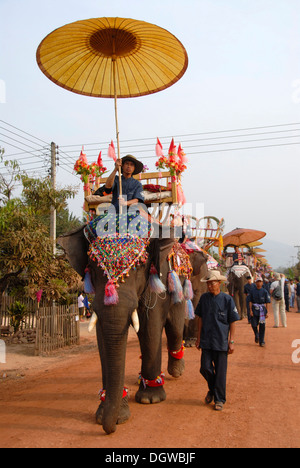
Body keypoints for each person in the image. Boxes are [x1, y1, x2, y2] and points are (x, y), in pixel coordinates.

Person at [195, 270, 240, 411]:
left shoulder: (227, 300)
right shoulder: (204, 298)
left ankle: (219, 399)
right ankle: (213, 390)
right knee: (205, 368)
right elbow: (200, 319)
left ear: (219, 284)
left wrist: (231, 341)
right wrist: (198, 338)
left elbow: (232, 321)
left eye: (212, 283)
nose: (209, 286)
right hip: (207, 341)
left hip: (221, 342)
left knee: (220, 373)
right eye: (208, 283)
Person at [248, 276, 271, 347]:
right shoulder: (252, 291)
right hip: (254, 309)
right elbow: (250, 301)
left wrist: (266, 312)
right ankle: (256, 334)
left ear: (262, 283)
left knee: (262, 326)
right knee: (253, 324)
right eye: (258, 281)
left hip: (262, 310)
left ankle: (262, 341)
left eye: (260, 281)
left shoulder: (264, 291)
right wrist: (250, 310)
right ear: (255, 282)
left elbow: (267, 302)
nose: (259, 283)